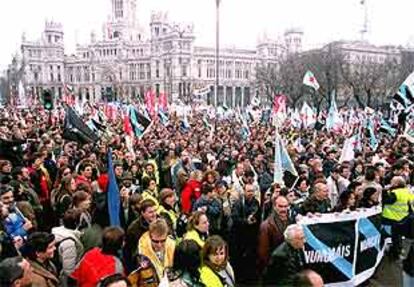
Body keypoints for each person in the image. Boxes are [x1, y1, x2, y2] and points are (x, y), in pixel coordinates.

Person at [257, 195, 290, 276]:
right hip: (274, 268)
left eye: (285, 206)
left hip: (287, 266)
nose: (283, 209)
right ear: (275, 207)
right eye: (280, 206)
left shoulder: (290, 220)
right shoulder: (266, 226)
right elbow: (263, 253)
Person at [382, 176, 414, 259]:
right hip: (404, 217)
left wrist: (384, 191)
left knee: (393, 237)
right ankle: (399, 250)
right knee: (398, 236)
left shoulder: (395, 193)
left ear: (396, 183)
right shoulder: (408, 191)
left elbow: (387, 201)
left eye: (392, 181)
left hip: (392, 217)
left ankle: (395, 253)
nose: (390, 183)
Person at [51, 209, 84, 286]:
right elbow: (69, 270)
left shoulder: (61, 233)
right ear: (77, 223)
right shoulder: (69, 243)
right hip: (66, 280)